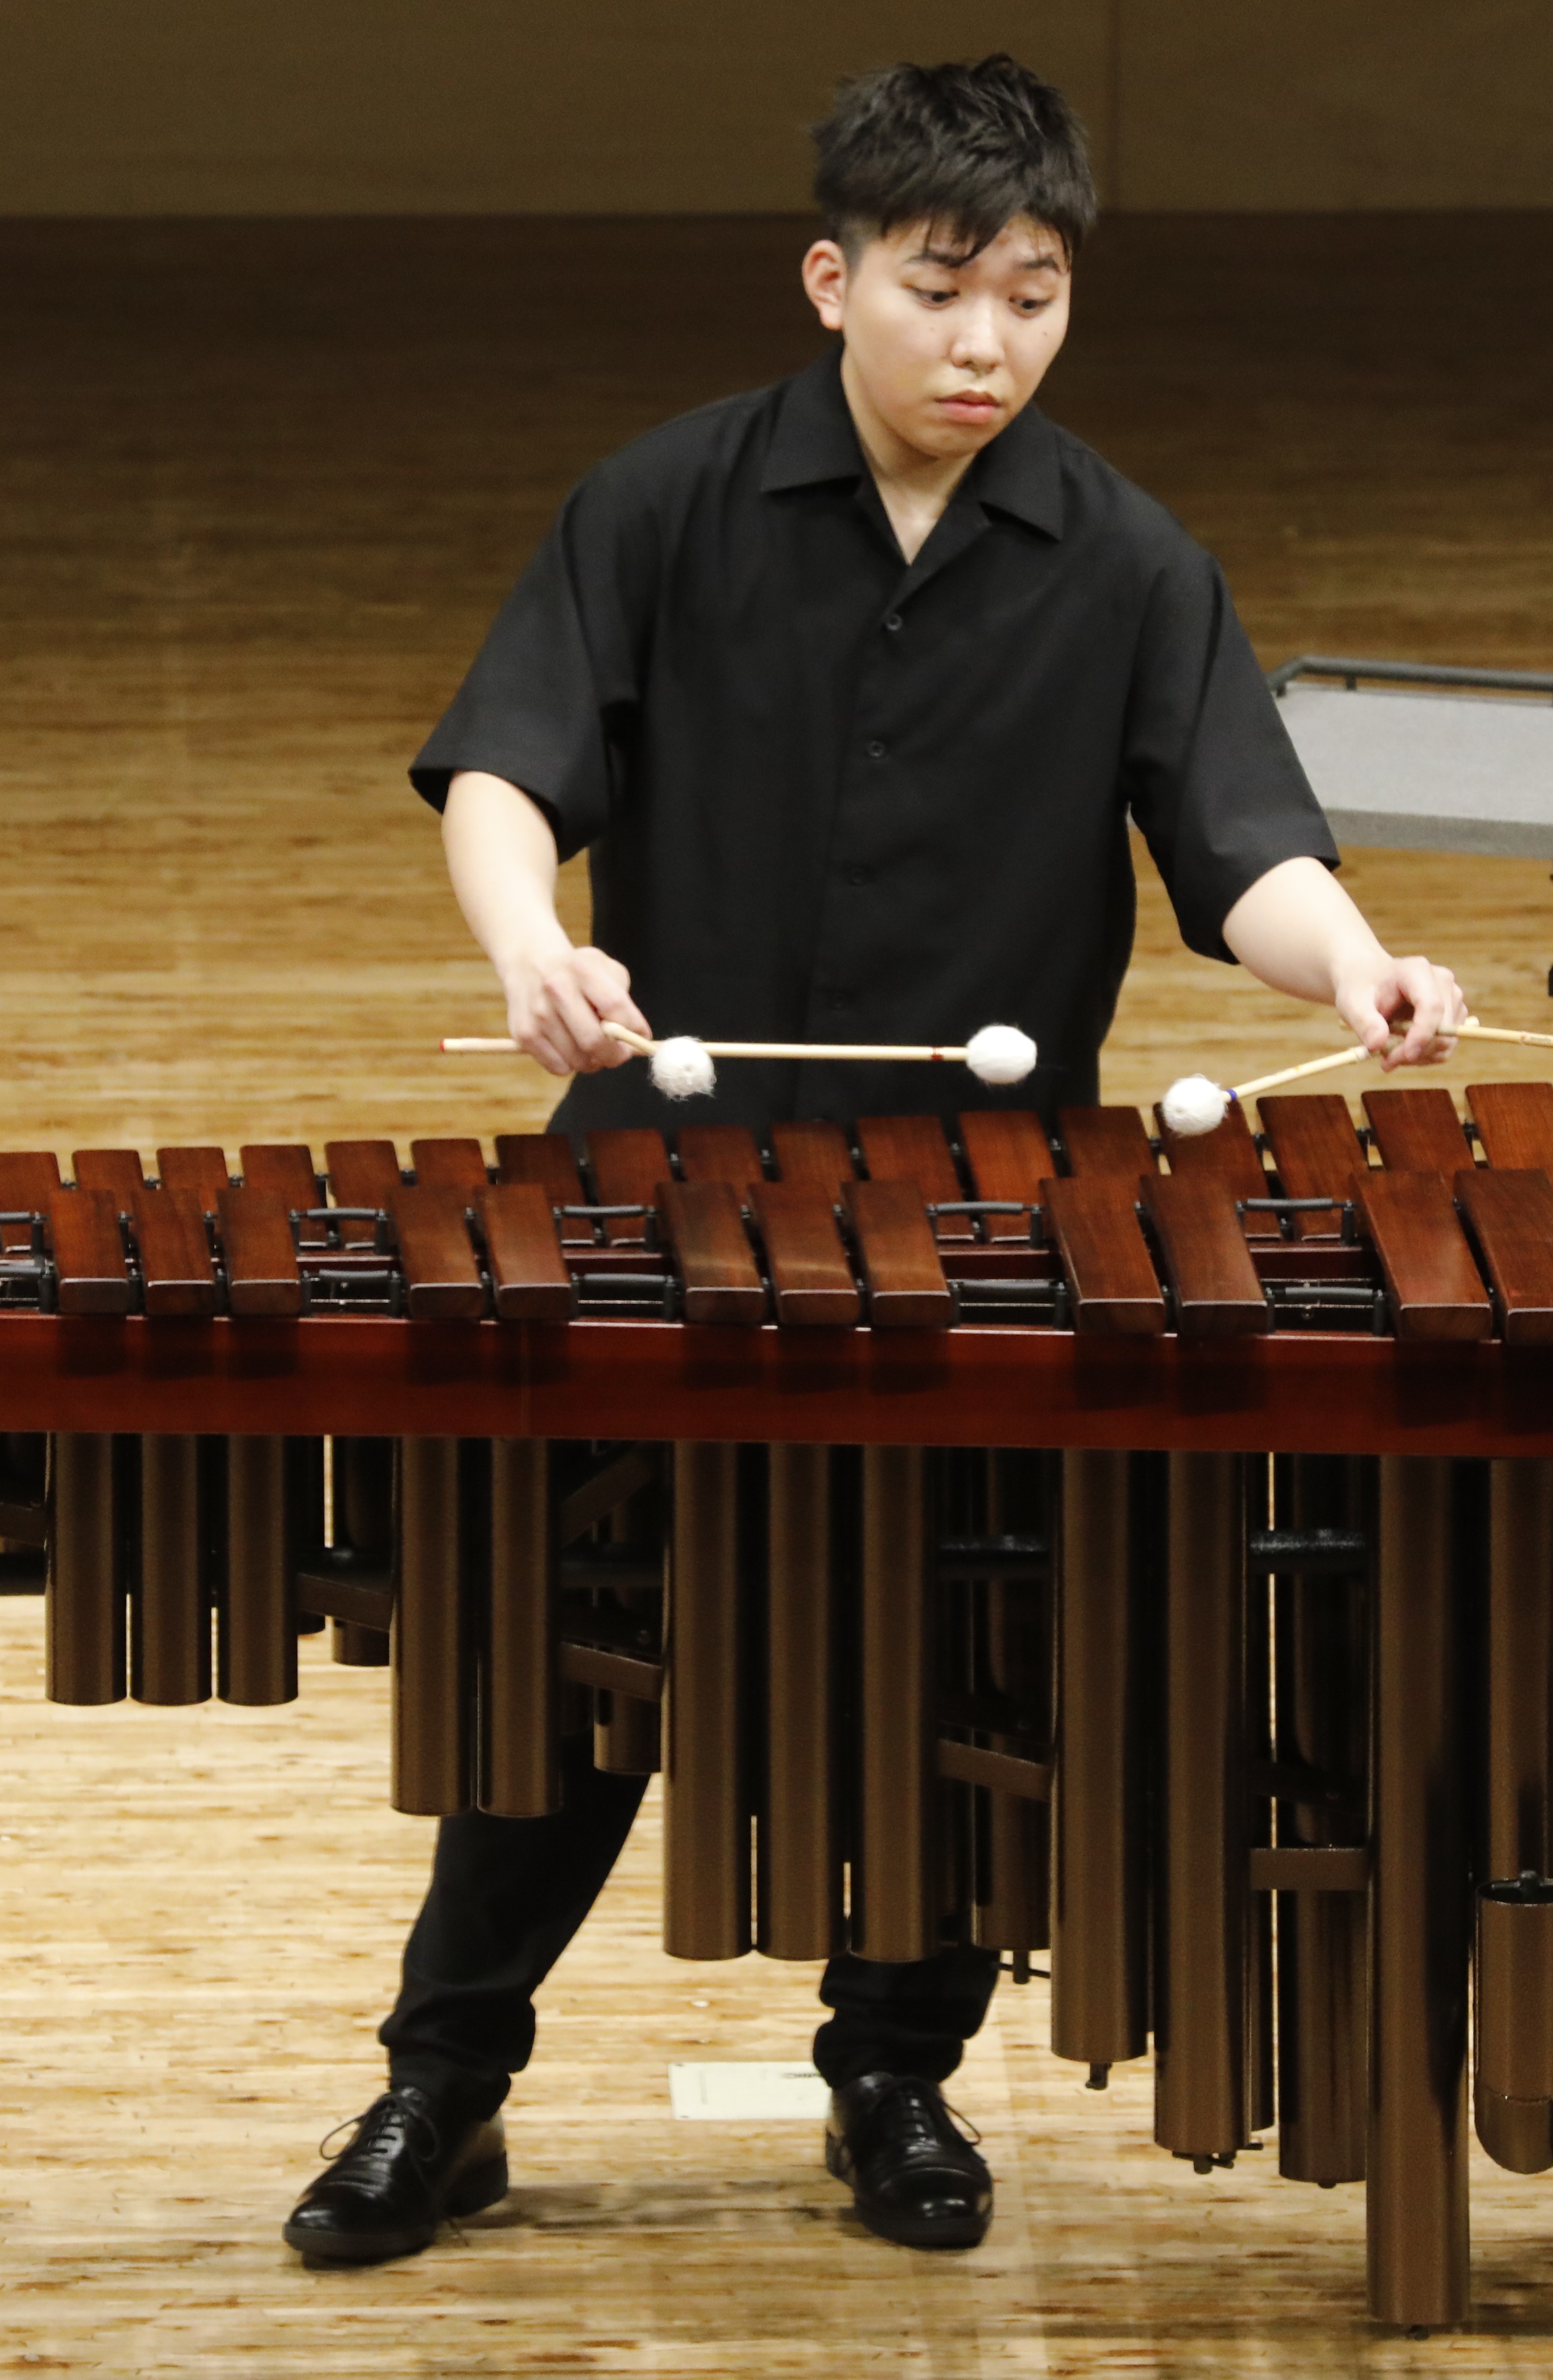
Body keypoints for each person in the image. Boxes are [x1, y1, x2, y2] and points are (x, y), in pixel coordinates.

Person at [285, 52, 1464, 2267]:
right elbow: (506, 770)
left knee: (958, 1666)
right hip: (657, 1194)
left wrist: (1353, 969)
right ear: (832, 279)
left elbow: (1243, 847)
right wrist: (534, 944)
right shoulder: (658, 505)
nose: (988, 342)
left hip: (983, 1220)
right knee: (569, 1652)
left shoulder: (1122, 559)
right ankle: (441, 2077)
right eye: (942, 289)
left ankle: (894, 2069)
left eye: (1031, 295)